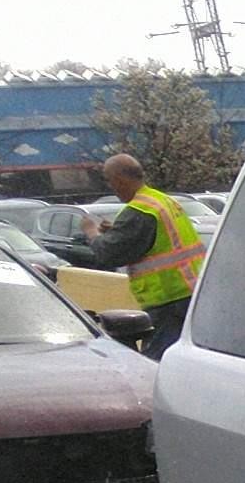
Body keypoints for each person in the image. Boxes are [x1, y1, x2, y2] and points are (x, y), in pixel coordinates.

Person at [75, 153, 207, 358]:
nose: (111, 187)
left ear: (119, 179)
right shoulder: (160, 200)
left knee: (157, 361)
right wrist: (116, 231)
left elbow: (108, 253)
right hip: (190, 292)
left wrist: (91, 232)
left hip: (167, 299)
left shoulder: (140, 210)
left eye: (110, 181)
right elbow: (149, 241)